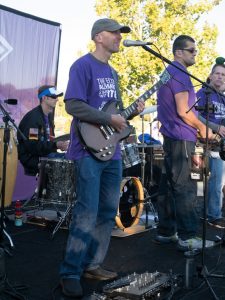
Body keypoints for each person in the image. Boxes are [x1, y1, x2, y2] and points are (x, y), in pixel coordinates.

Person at [59, 18, 145, 298]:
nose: (120, 37)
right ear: (98, 37)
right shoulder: (82, 65)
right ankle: (70, 272)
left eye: (121, 34)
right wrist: (110, 118)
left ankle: (92, 265)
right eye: (115, 33)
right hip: (87, 150)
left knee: (108, 211)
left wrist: (128, 119)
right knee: (87, 212)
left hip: (112, 152)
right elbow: (73, 104)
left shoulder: (114, 73)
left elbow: (115, 114)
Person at [155, 35, 215, 251]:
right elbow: (183, 110)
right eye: (191, 50)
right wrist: (201, 127)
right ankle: (188, 237)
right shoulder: (180, 71)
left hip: (172, 136)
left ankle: (166, 231)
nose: (195, 54)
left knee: (168, 187)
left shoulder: (168, 72)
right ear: (178, 52)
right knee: (186, 187)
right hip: (182, 137)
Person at [196, 63, 225, 228]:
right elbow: (193, 115)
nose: (220, 77)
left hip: (218, 148)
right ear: (211, 75)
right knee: (197, 183)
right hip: (200, 145)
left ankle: (214, 216)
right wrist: (215, 128)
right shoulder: (203, 93)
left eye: (223, 75)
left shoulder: (223, 97)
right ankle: (196, 216)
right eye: (218, 74)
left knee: (216, 184)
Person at [17, 85, 68, 176]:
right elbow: (33, 145)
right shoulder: (33, 119)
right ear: (44, 98)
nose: (57, 99)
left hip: (43, 154)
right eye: (53, 97)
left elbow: (47, 139)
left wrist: (57, 142)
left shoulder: (49, 116)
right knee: (67, 161)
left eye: (57, 97)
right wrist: (56, 145)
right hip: (33, 158)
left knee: (72, 158)